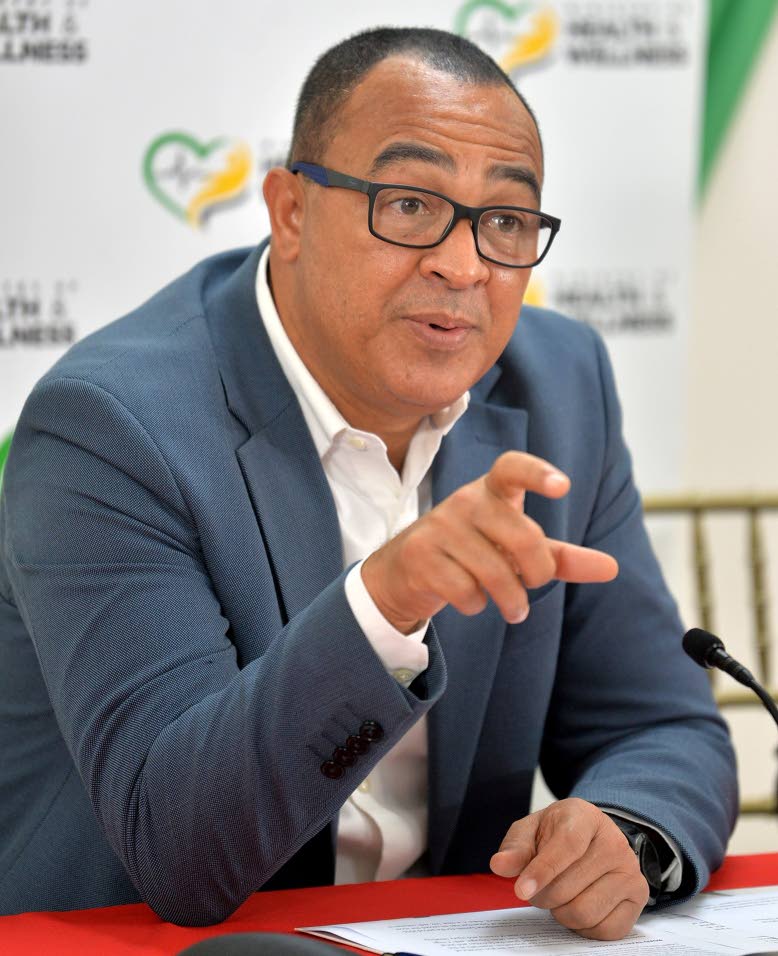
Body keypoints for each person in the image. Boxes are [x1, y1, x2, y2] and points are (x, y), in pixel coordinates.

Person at [0, 26, 736, 940]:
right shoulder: (113, 427)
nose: (463, 265)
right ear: (291, 212)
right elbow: (179, 848)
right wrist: (387, 603)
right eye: (410, 204)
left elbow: (661, 728)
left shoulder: (561, 387)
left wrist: (621, 833)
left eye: (507, 221)